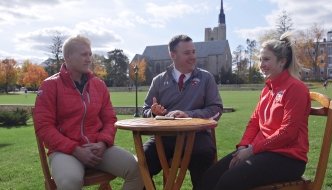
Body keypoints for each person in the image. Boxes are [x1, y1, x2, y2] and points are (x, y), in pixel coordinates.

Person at [199, 32, 311, 190]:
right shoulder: (268, 89)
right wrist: (243, 147)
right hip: (260, 151)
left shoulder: (296, 89)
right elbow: (254, 122)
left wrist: (252, 150)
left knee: (228, 182)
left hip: (288, 158)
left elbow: (288, 133)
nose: (261, 64)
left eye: (266, 59)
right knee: (209, 178)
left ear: (282, 62)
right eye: (260, 59)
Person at [33, 35, 144, 190]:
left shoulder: (99, 85)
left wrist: (103, 143)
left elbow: (110, 119)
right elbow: (44, 127)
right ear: (68, 57)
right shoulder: (50, 86)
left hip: (97, 148)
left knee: (139, 169)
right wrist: (75, 149)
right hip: (65, 151)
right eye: (84, 54)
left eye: (90, 54)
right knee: (70, 182)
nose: (89, 58)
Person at [142, 34, 223, 189]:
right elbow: (145, 110)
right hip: (163, 138)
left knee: (204, 156)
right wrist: (153, 113)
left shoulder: (206, 78)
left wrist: (190, 115)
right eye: (187, 53)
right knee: (141, 164)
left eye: (193, 52)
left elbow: (216, 109)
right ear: (173, 55)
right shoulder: (159, 80)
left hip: (197, 137)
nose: (193, 57)